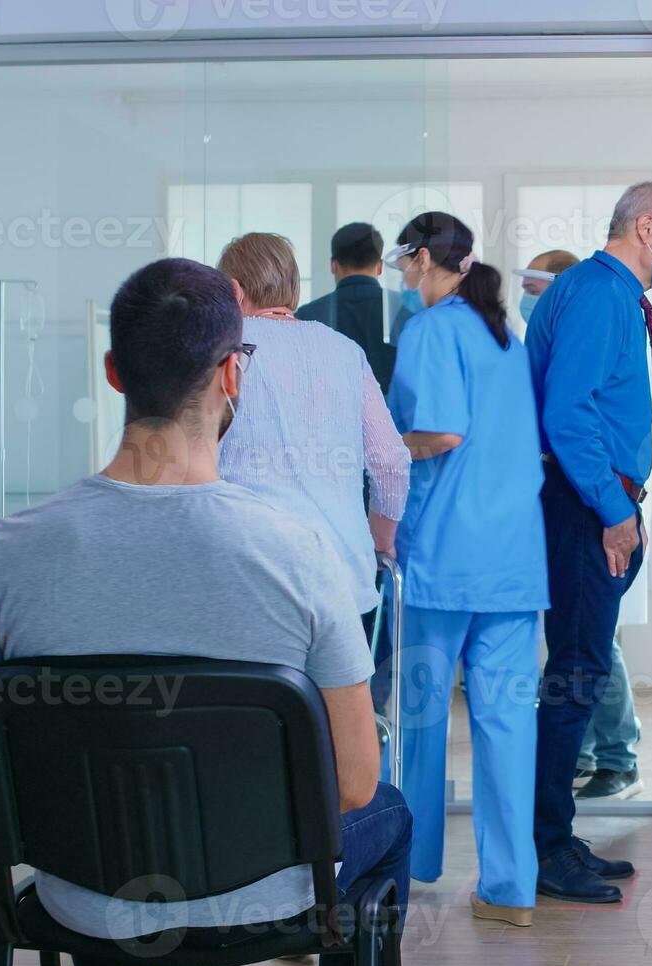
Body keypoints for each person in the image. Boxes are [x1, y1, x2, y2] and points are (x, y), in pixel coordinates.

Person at [0, 258, 410, 966]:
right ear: (234, 375)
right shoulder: (297, 552)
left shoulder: (12, 551)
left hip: (85, 898)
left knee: (104, 855)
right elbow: (353, 782)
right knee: (389, 814)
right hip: (264, 897)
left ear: (113, 372)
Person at [525, 180, 652, 902]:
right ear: (649, 228)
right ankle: (546, 848)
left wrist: (627, 501)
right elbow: (567, 415)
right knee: (575, 677)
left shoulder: (608, 293)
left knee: (582, 671)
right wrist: (610, 509)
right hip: (582, 507)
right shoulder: (598, 293)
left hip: (601, 501)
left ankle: (556, 835)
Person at [385, 212, 549, 927]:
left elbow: (443, 433)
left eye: (403, 260)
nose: (399, 272)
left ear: (423, 259)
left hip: (447, 557)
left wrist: (386, 449)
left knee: (422, 716)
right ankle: (511, 890)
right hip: (513, 556)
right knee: (507, 723)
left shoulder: (429, 330)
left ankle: (409, 867)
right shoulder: (501, 334)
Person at [215, 232, 410, 723]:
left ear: (234, 292)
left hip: (247, 574)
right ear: (294, 290)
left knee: (254, 722)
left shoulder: (221, 354)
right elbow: (390, 458)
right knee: (336, 730)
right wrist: (378, 540)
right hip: (340, 571)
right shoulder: (343, 351)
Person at [296, 222, 414, 393]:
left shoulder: (308, 315)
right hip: (393, 417)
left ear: (333, 265)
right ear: (380, 266)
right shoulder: (404, 309)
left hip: (330, 417)